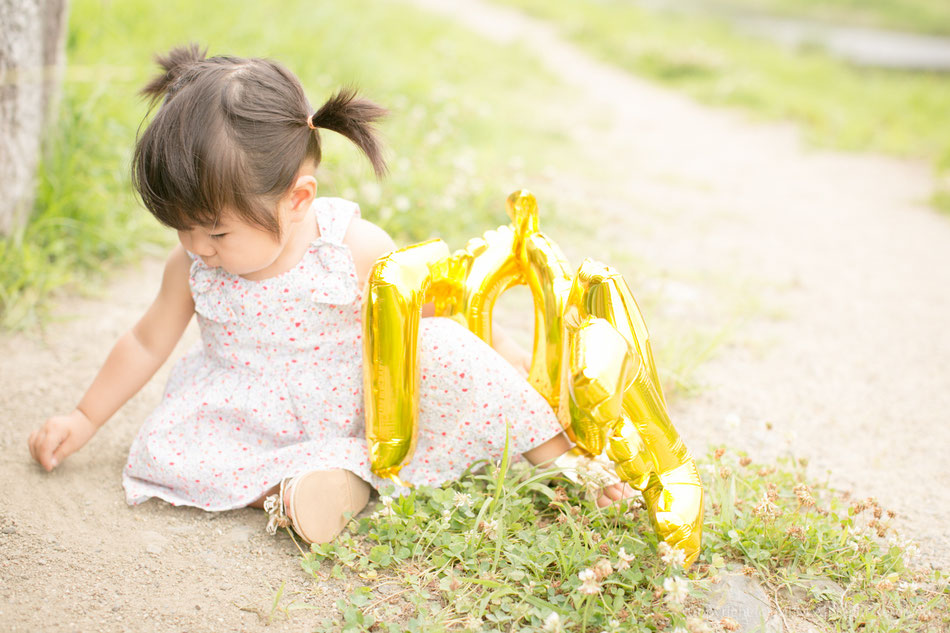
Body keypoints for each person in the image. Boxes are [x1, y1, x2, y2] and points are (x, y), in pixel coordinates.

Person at [27, 44, 633, 544]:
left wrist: (511, 361)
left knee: (445, 346)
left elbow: (431, 310)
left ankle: (565, 463)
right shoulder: (191, 263)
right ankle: (317, 485)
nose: (197, 245)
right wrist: (84, 417)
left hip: (360, 403)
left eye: (215, 231)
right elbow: (145, 339)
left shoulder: (352, 247)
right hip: (250, 414)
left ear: (297, 198)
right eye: (181, 228)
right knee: (168, 447)